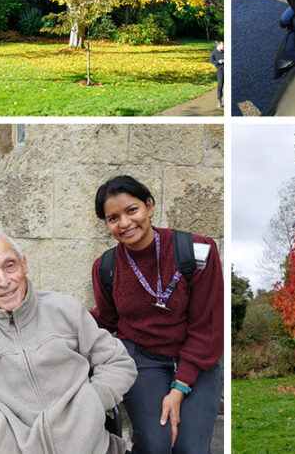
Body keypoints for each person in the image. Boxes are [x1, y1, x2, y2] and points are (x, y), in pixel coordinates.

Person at [0, 228, 138, 454]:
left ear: (24, 264)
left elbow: (119, 362)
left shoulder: (65, 309)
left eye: (10, 266)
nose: (4, 281)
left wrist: (92, 404)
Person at [90, 176, 223, 454]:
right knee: (155, 445)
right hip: (141, 360)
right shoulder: (106, 267)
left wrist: (179, 388)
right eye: (113, 218)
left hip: (197, 360)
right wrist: (54, 321)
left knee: (191, 448)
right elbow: (105, 319)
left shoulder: (198, 252)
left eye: (132, 210)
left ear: (149, 207)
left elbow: (207, 328)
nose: (124, 223)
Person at [210, 40, 224, 108]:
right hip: (219, 70)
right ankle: (219, 100)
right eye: (222, 45)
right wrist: (218, 62)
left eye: (223, 45)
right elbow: (211, 61)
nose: (223, 46)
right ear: (218, 45)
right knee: (220, 85)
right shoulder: (214, 53)